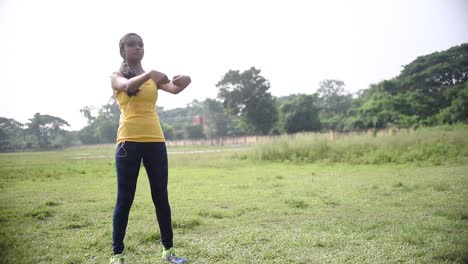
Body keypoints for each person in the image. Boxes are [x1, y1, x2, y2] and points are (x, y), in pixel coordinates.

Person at [109, 32, 191, 264]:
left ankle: (169, 252)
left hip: (155, 141)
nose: (138, 48)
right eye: (132, 45)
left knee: (161, 196)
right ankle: (117, 254)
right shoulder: (116, 76)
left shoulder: (153, 78)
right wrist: (149, 74)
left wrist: (186, 80)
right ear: (123, 50)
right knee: (125, 199)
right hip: (128, 143)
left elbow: (174, 88)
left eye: (141, 45)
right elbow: (126, 86)